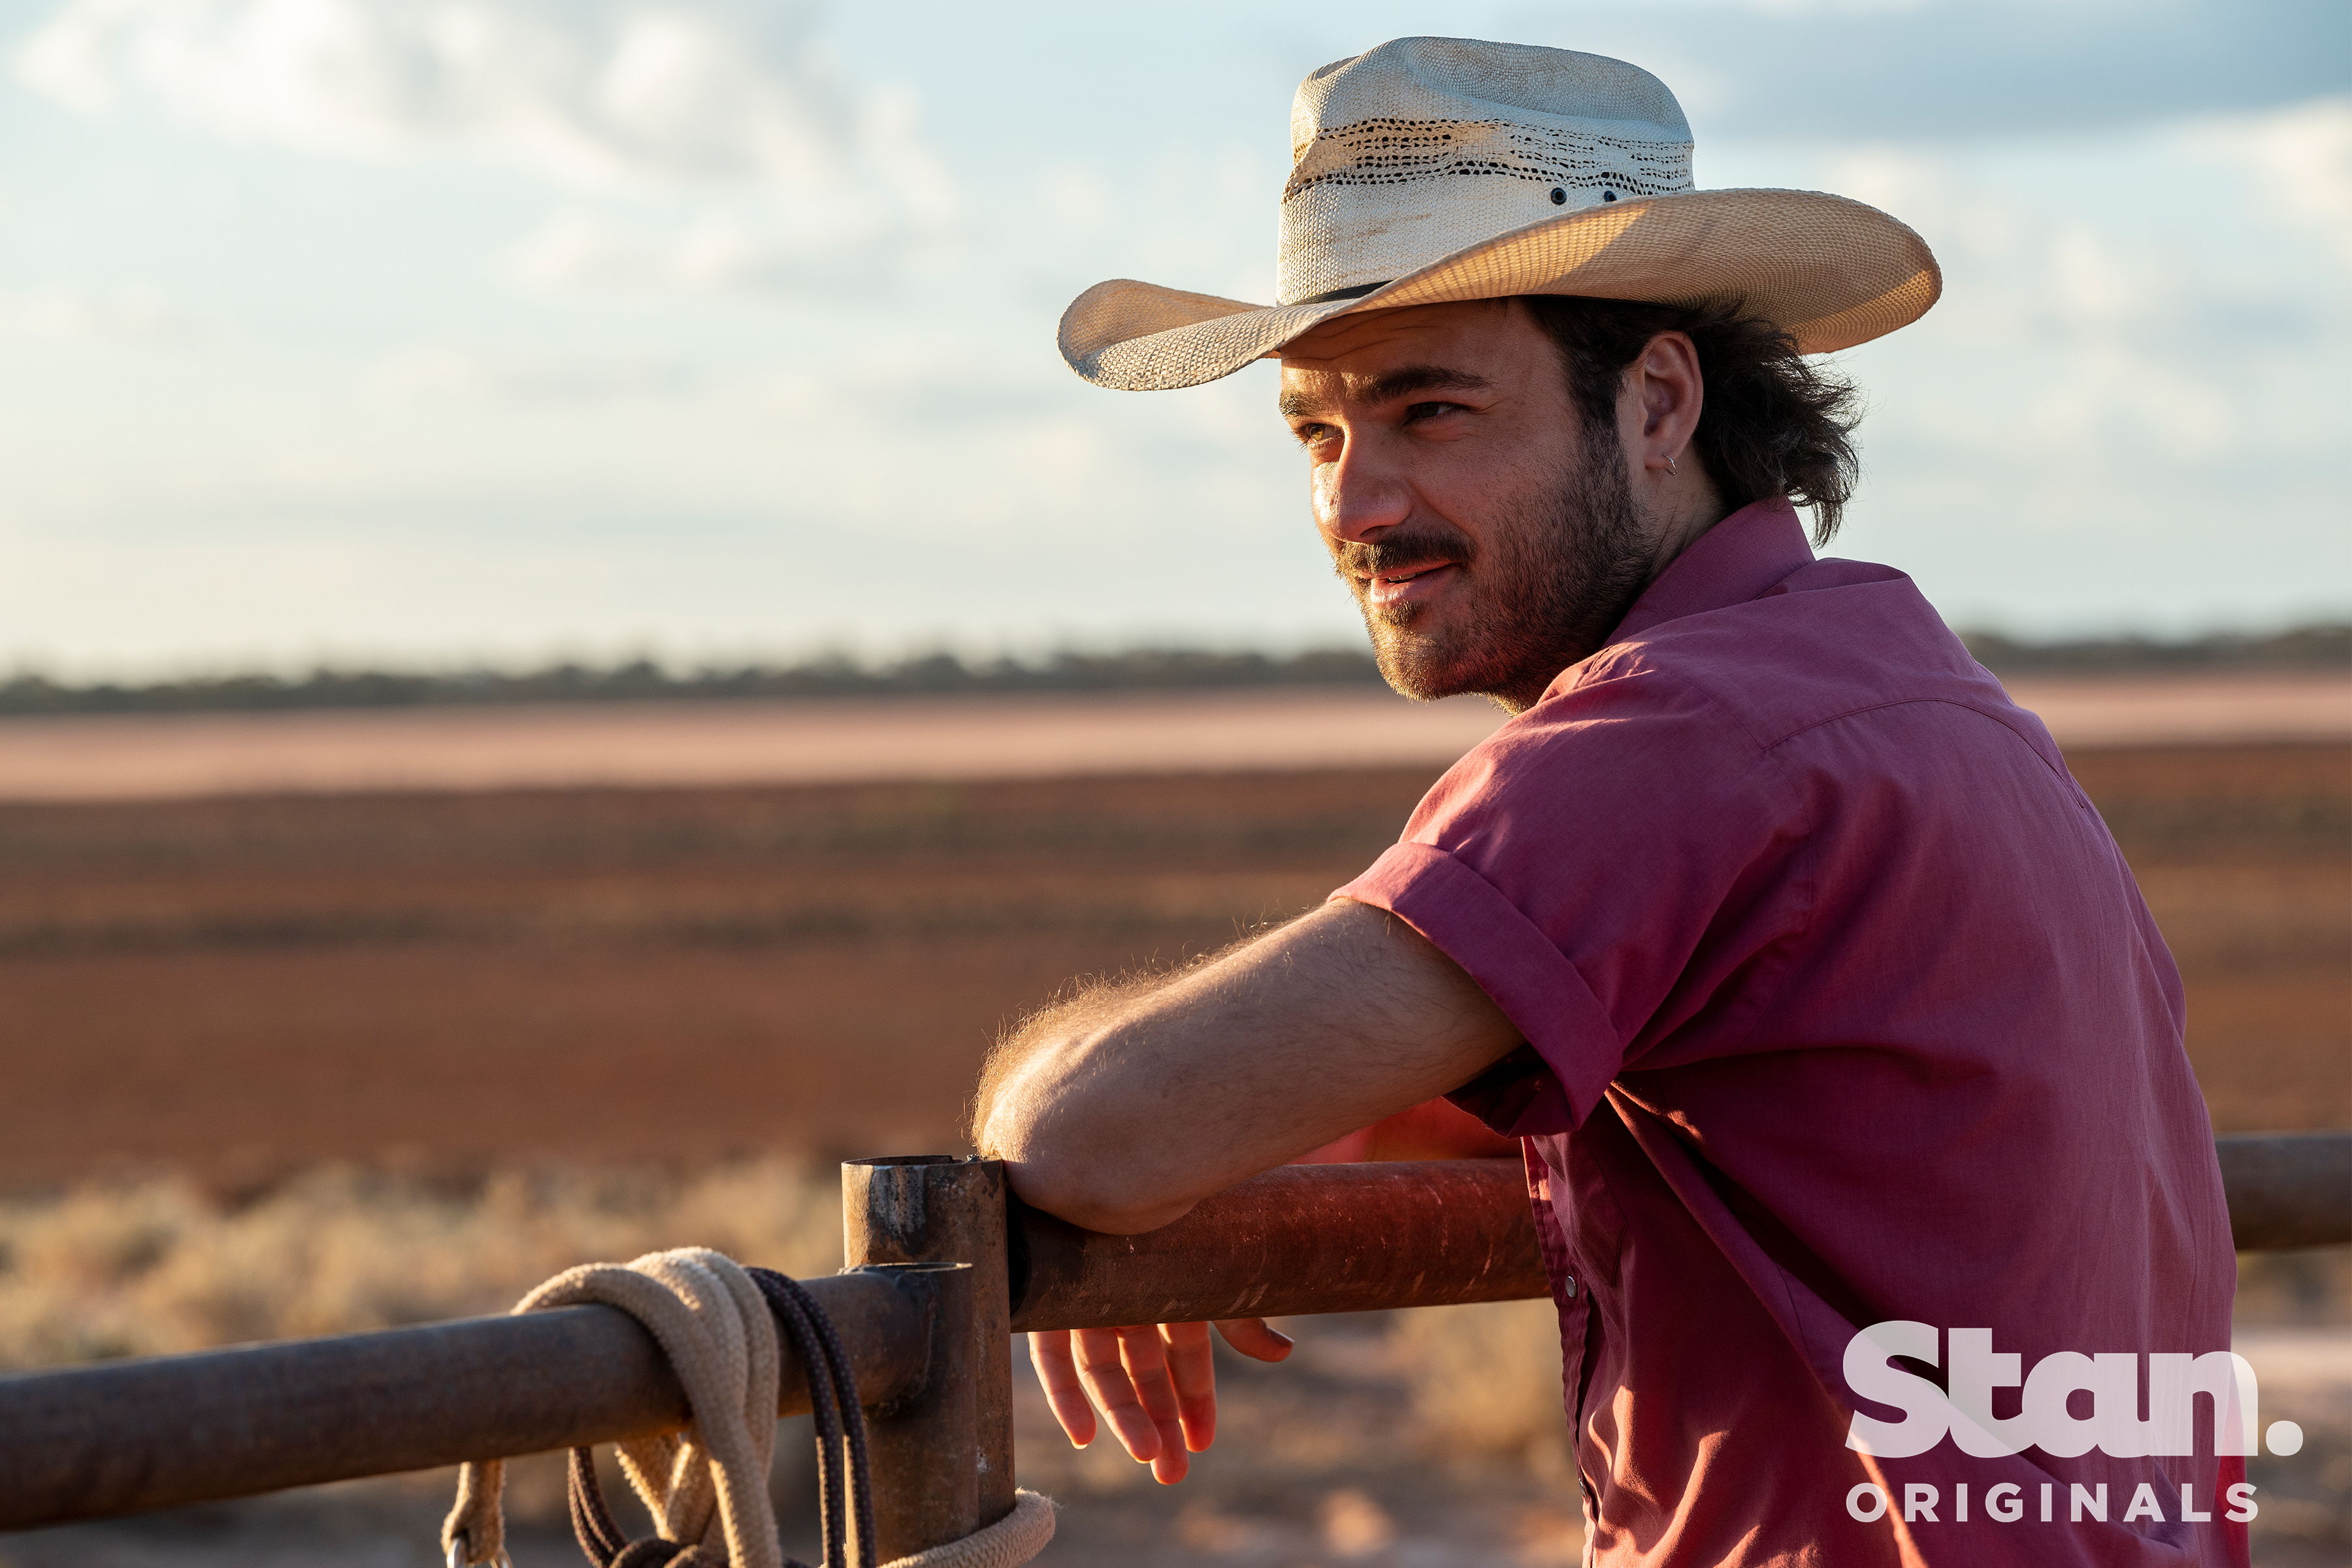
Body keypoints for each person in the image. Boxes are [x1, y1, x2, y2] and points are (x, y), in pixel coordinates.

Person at [973, 37, 2242, 1567]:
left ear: (1656, 403)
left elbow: (1089, 1133)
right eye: (1316, 428)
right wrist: (1243, 1142)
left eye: (1430, 410)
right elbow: (1437, 1094)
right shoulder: (1923, 701)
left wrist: (1059, 1120)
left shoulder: (1669, 742)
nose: (1350, 505)